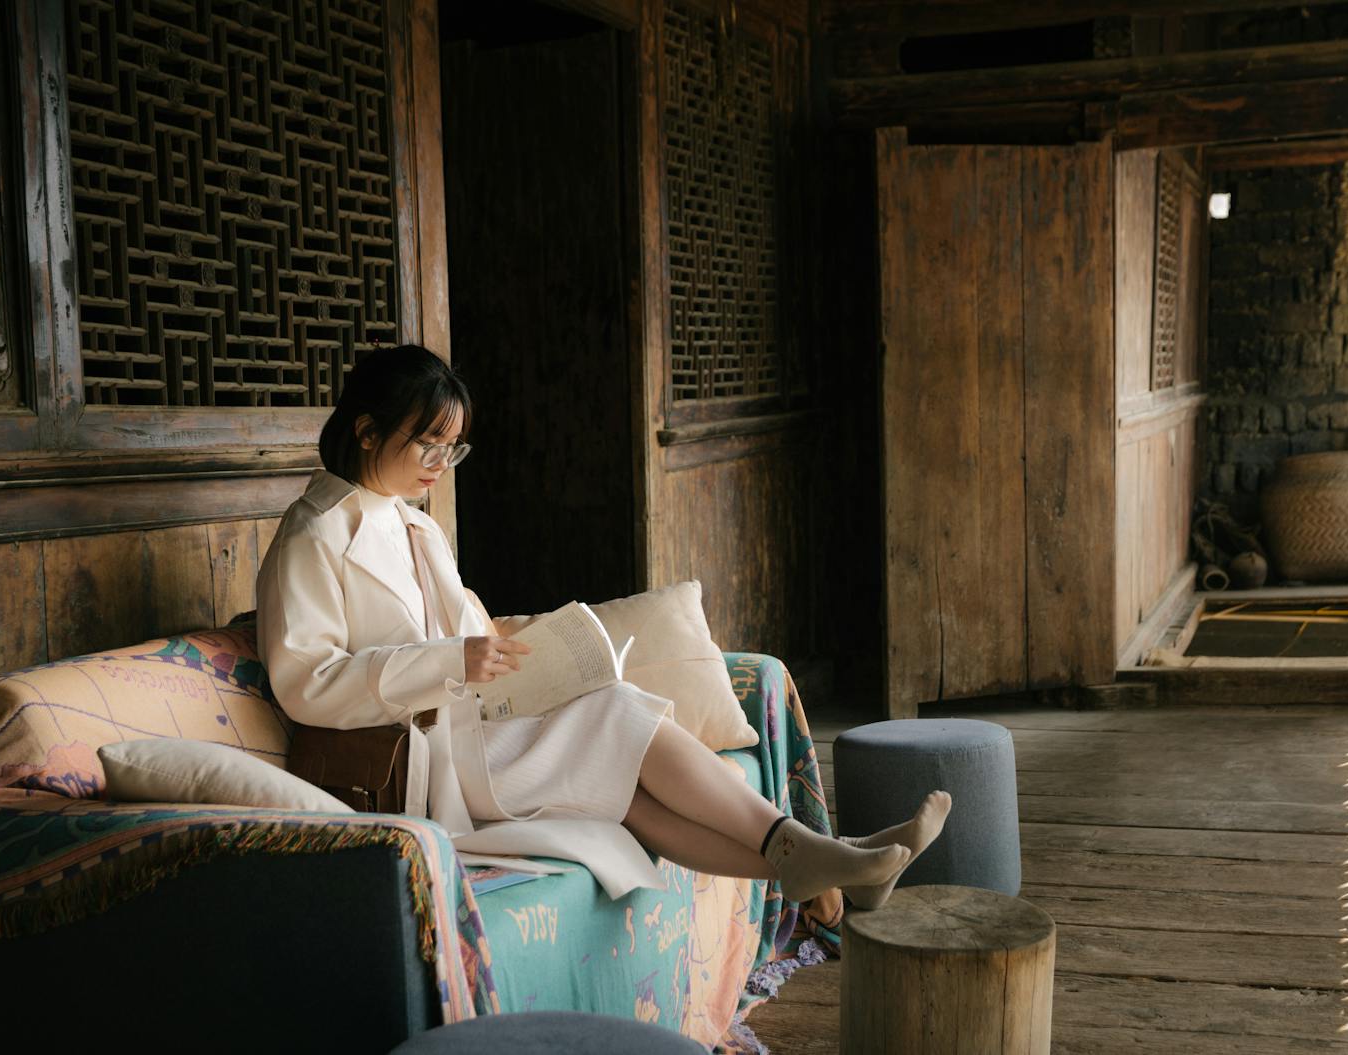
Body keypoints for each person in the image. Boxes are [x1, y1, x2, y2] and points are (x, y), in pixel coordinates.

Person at [257, 344, 949, 905]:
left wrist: (520, 656)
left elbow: (463, 632)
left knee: (631, 795)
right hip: (422, 760)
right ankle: (811, 845)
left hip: (472, 726)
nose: (441, 467)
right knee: (617, 714)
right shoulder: (313, 534)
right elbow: (305, 683)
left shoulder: (412, 522)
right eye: (428, 447)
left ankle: (809, 861)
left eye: (453, 450)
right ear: (367, 430)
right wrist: (449, 662)